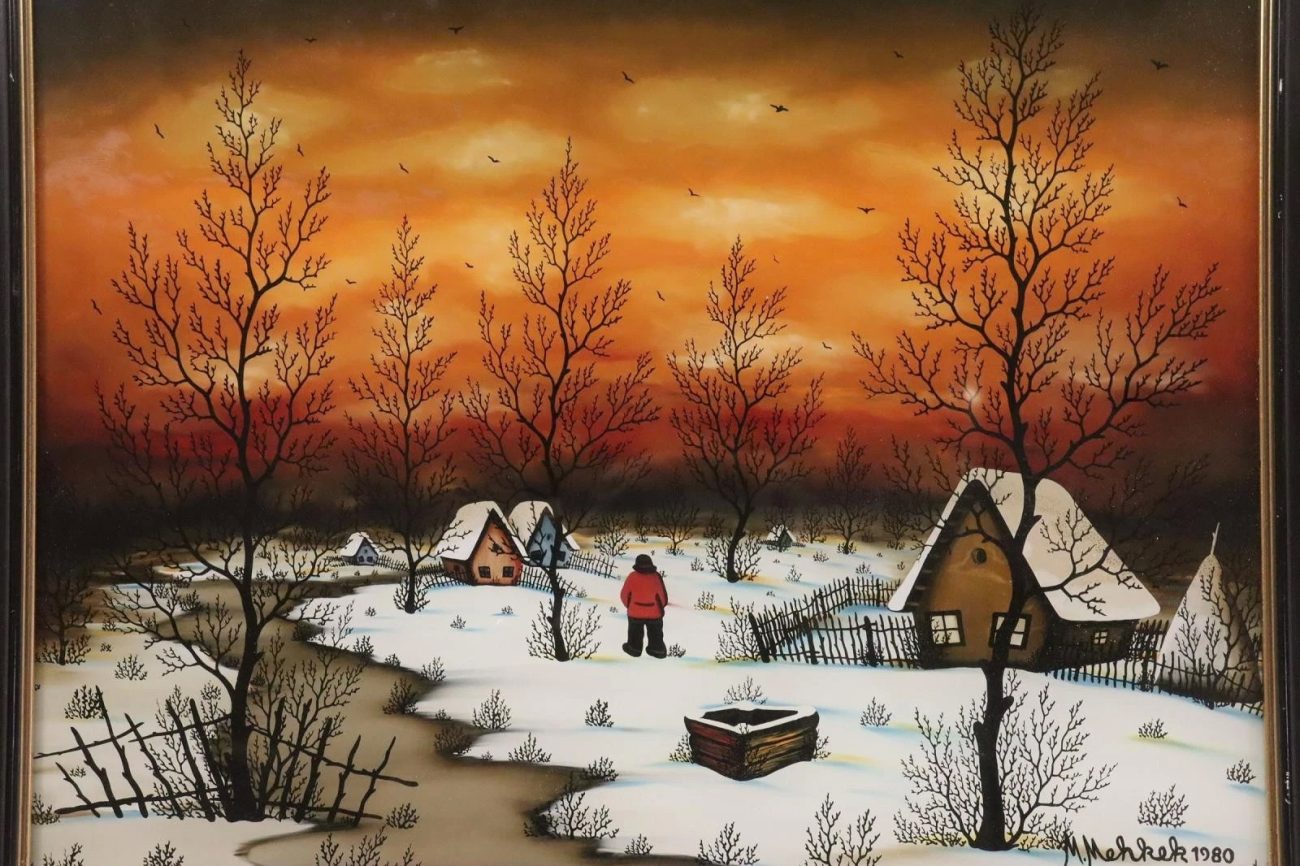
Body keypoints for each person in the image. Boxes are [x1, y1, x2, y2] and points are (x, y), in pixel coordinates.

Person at [620, 553, 668, 658]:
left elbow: (624, 595)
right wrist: (660, 607)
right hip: (654, 612)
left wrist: (630, 606)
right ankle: (656, 649)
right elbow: (663, 597)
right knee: (655, 632)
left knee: (635, 632)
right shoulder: (656, 577)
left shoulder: (632, 577)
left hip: (635, 612)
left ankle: (634, 648)